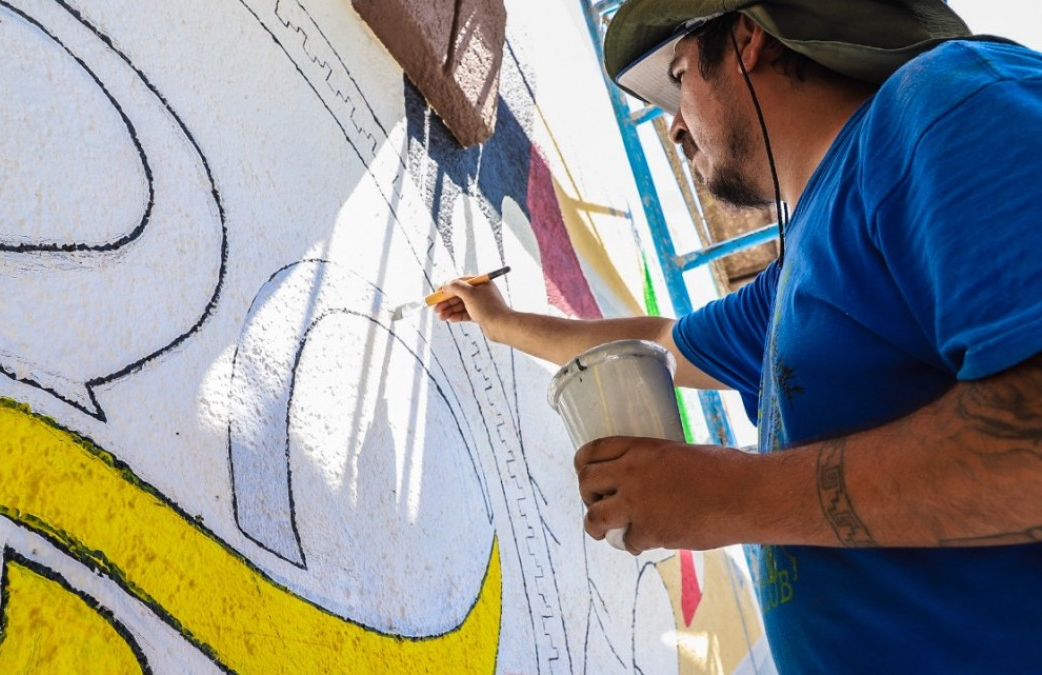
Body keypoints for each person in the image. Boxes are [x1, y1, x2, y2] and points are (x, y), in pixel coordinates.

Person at [434, 0, 1042, 671]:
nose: (673, 127)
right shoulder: (803, 264)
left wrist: (729, 496)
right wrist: (503, 321)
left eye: (678, 74)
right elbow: (662, 346)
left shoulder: (945, 102)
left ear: (749, 37)